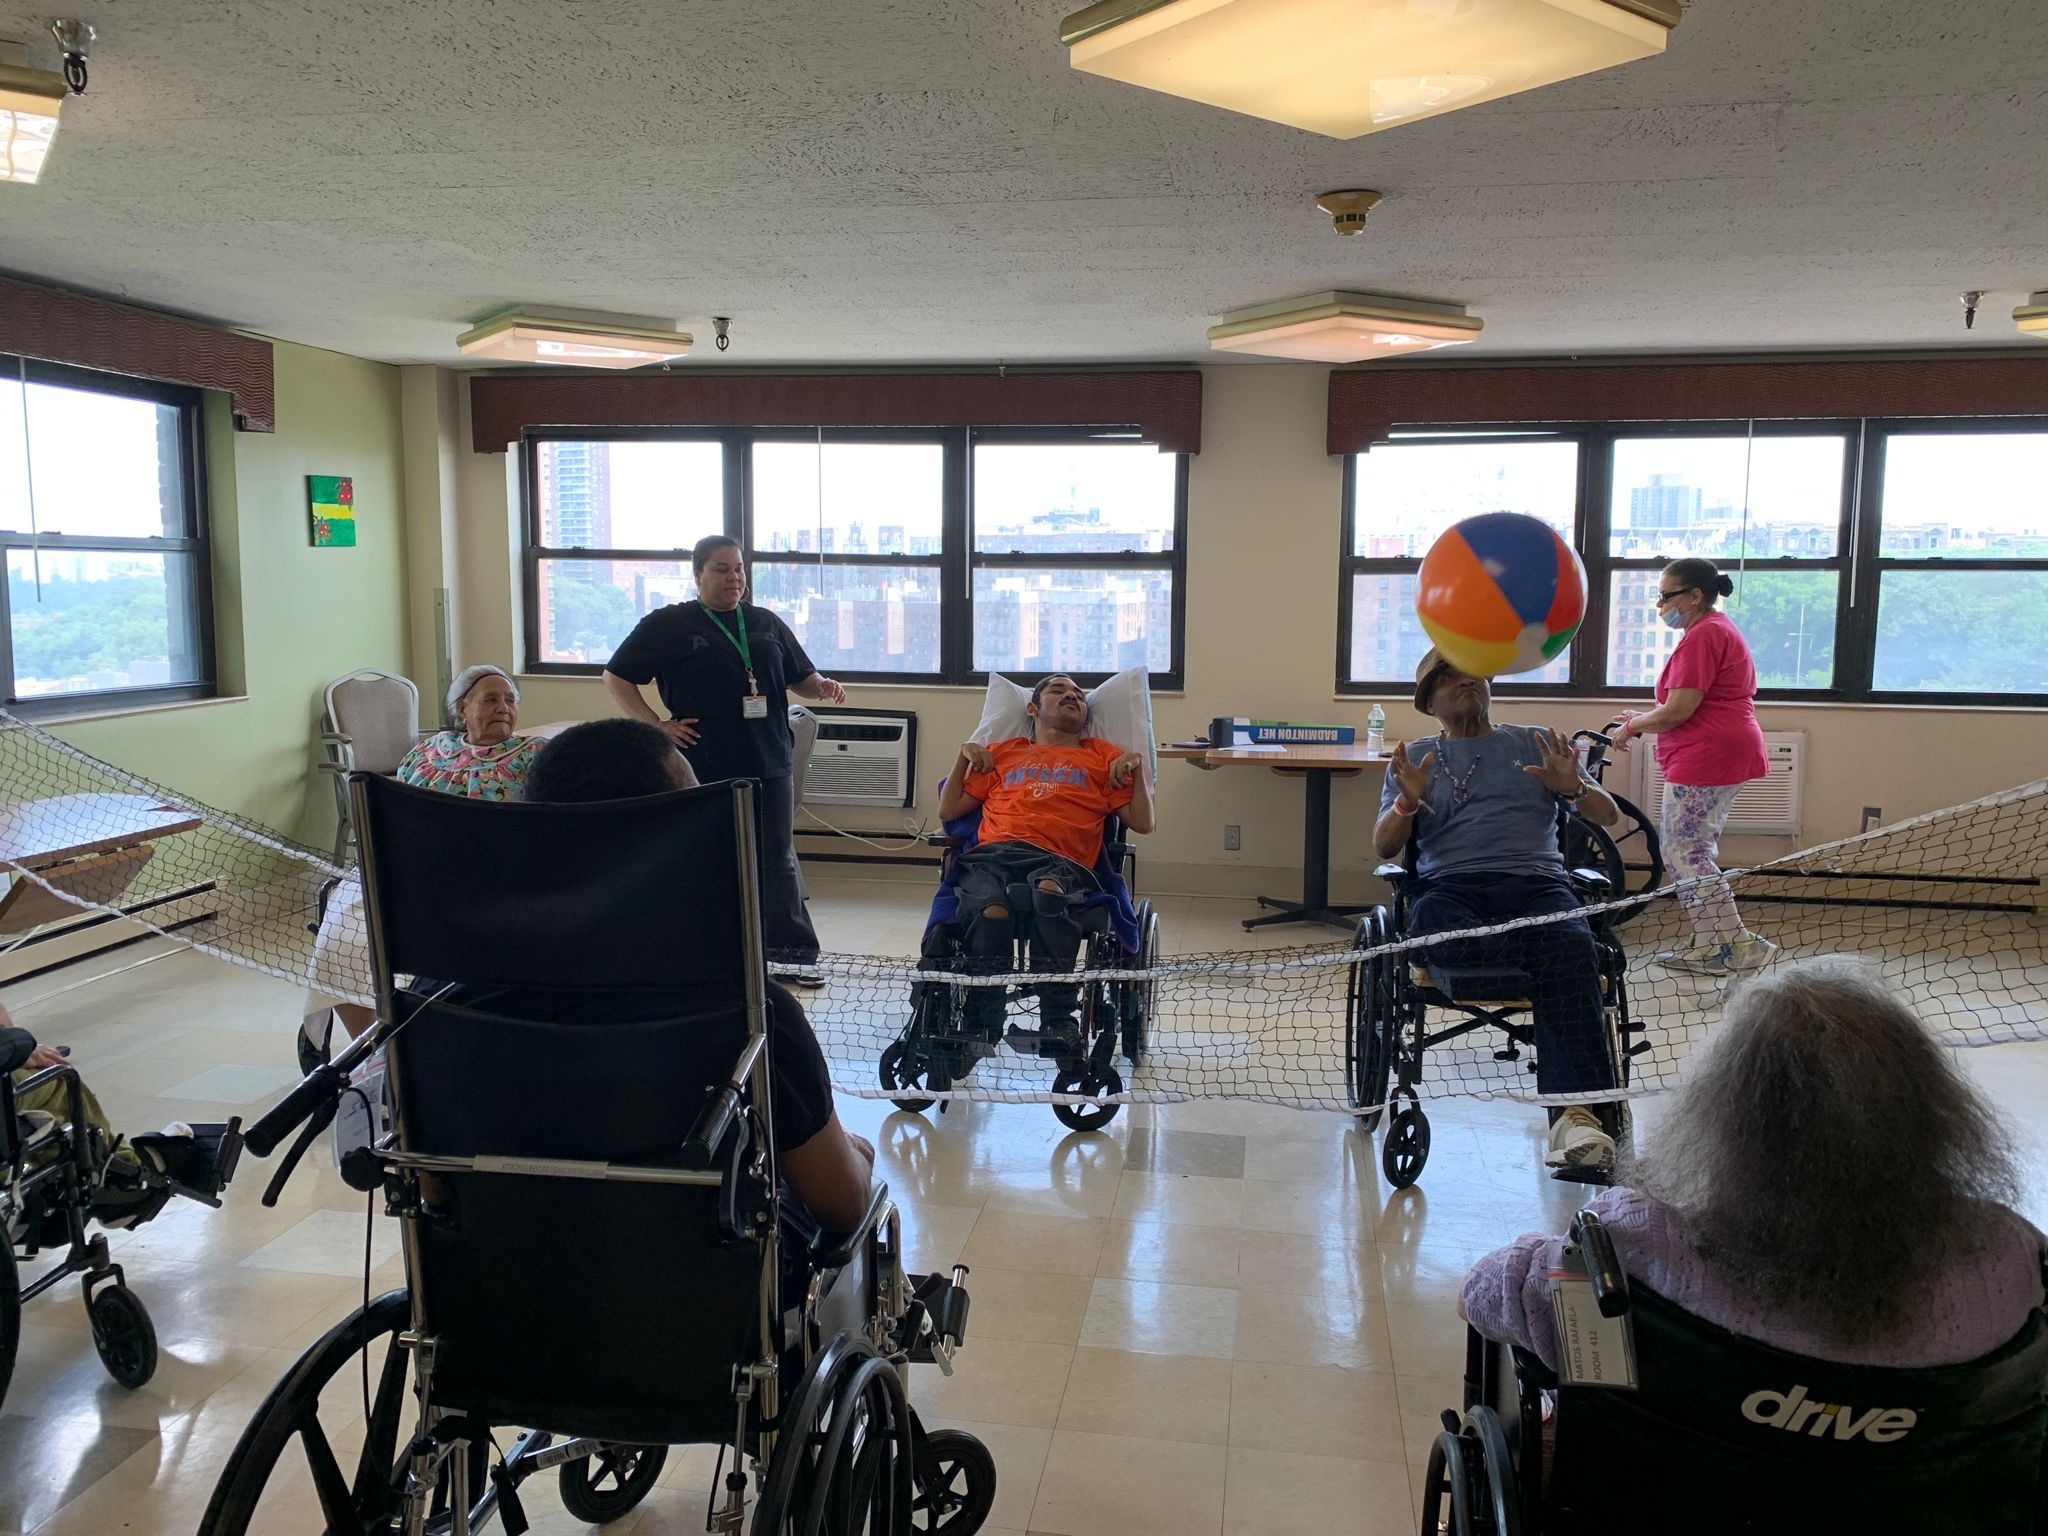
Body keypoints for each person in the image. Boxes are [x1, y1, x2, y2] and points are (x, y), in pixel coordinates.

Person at [1460, 959, 2045, 1372]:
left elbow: (1482, 1296)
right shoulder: (2009, 1257)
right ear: (1936, 1111)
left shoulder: (1636, 1242)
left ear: (1722, 1117)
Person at [508, 718, 874, 1234]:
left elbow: (432, 1187)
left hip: (493, 1276)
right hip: (698, 1288)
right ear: (678, 834)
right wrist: (860, 1154)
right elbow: (844, 1206)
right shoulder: (748, 1011)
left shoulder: (444, 1000)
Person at [1377, 650, 1624, 1173]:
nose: (1467, 683)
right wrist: (1407, 803)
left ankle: (1576, 1117)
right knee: (1451, 937)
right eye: (1450, 679)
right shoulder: (1415, 757)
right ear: (1430, 702)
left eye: (1474, 676)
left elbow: (1609, 815)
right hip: (1451, 889)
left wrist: (1573, 787)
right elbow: (1382, 847)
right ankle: (1542, 958)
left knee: (1570, 944)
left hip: (1536, 885)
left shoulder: (1533, 742)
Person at [602, 536, 847, 976]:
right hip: (703, 762)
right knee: (705, 858)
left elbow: (802, 678)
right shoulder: (669, 624)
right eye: (721, 569)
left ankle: (792, 957)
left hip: (769, 761)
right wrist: (655, 724)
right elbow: (616, 677)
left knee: (777, 861)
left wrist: (823, 686)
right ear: (698, 575)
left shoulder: (765, 622)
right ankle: (704, 953)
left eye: (738, 569)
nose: (733, 577)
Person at [934, 675, 1153, 1052]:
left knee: (1049, 893)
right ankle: (982, 1023)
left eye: (1079, 696)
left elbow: (1144, 823)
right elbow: (949, 810)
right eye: (1059, 691)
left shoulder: (1103, 756)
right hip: (992, 857)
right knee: (991, 911)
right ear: (1032, 708)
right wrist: (963, 756)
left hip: (1063, 863)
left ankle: (1057, 1019)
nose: (1072, 696)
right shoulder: (1002, 753)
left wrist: (1137, 769)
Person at [1611, 558, 1776, 976]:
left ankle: (1737, 943)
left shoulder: (1704, 636)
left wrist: (1632, 727)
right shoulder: (1714, 630)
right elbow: (1681, 705)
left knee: (1685, 851)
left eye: (1666, 596)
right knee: (1689, 850)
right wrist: (1645, 717)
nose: (1660, 604)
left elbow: (1678, 711)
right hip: (1717, 748)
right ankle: (1711, 944)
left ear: (1695, 596)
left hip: (1708, 753)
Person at [396, 664, 548, 800]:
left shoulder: (535, 753)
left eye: (510, 700)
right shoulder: (428, 750)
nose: (503, 708)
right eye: (491, 700)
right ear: (462, 709)